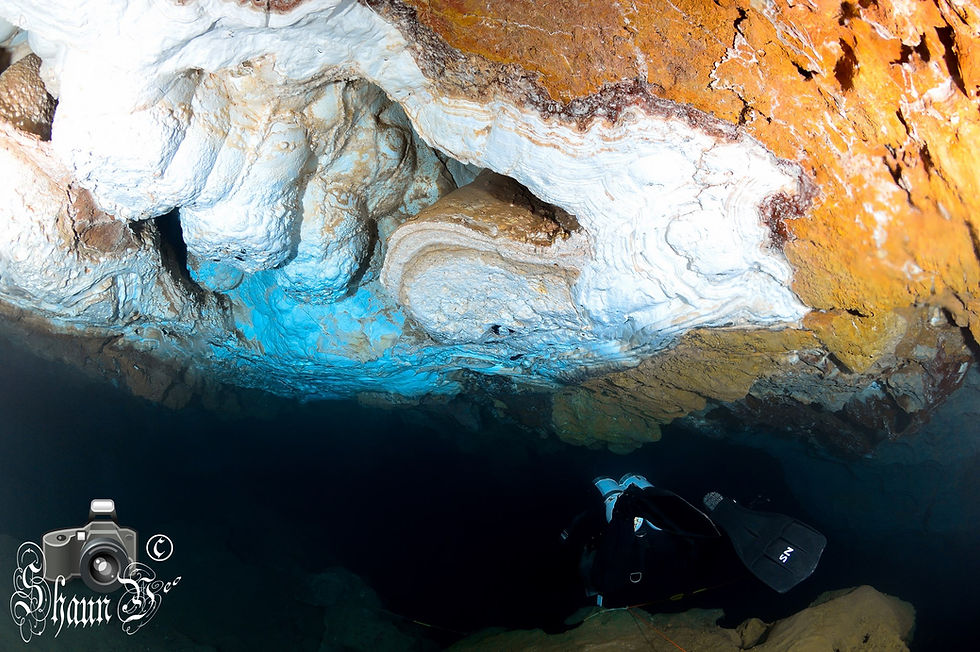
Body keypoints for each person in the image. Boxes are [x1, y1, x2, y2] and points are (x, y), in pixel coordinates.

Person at [562, 474, 826, 607]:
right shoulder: (607, 571)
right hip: (661, 551)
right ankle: (629, 496)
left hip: (655, 549)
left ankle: (629, 494)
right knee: (640, 545)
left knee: (639, 543)